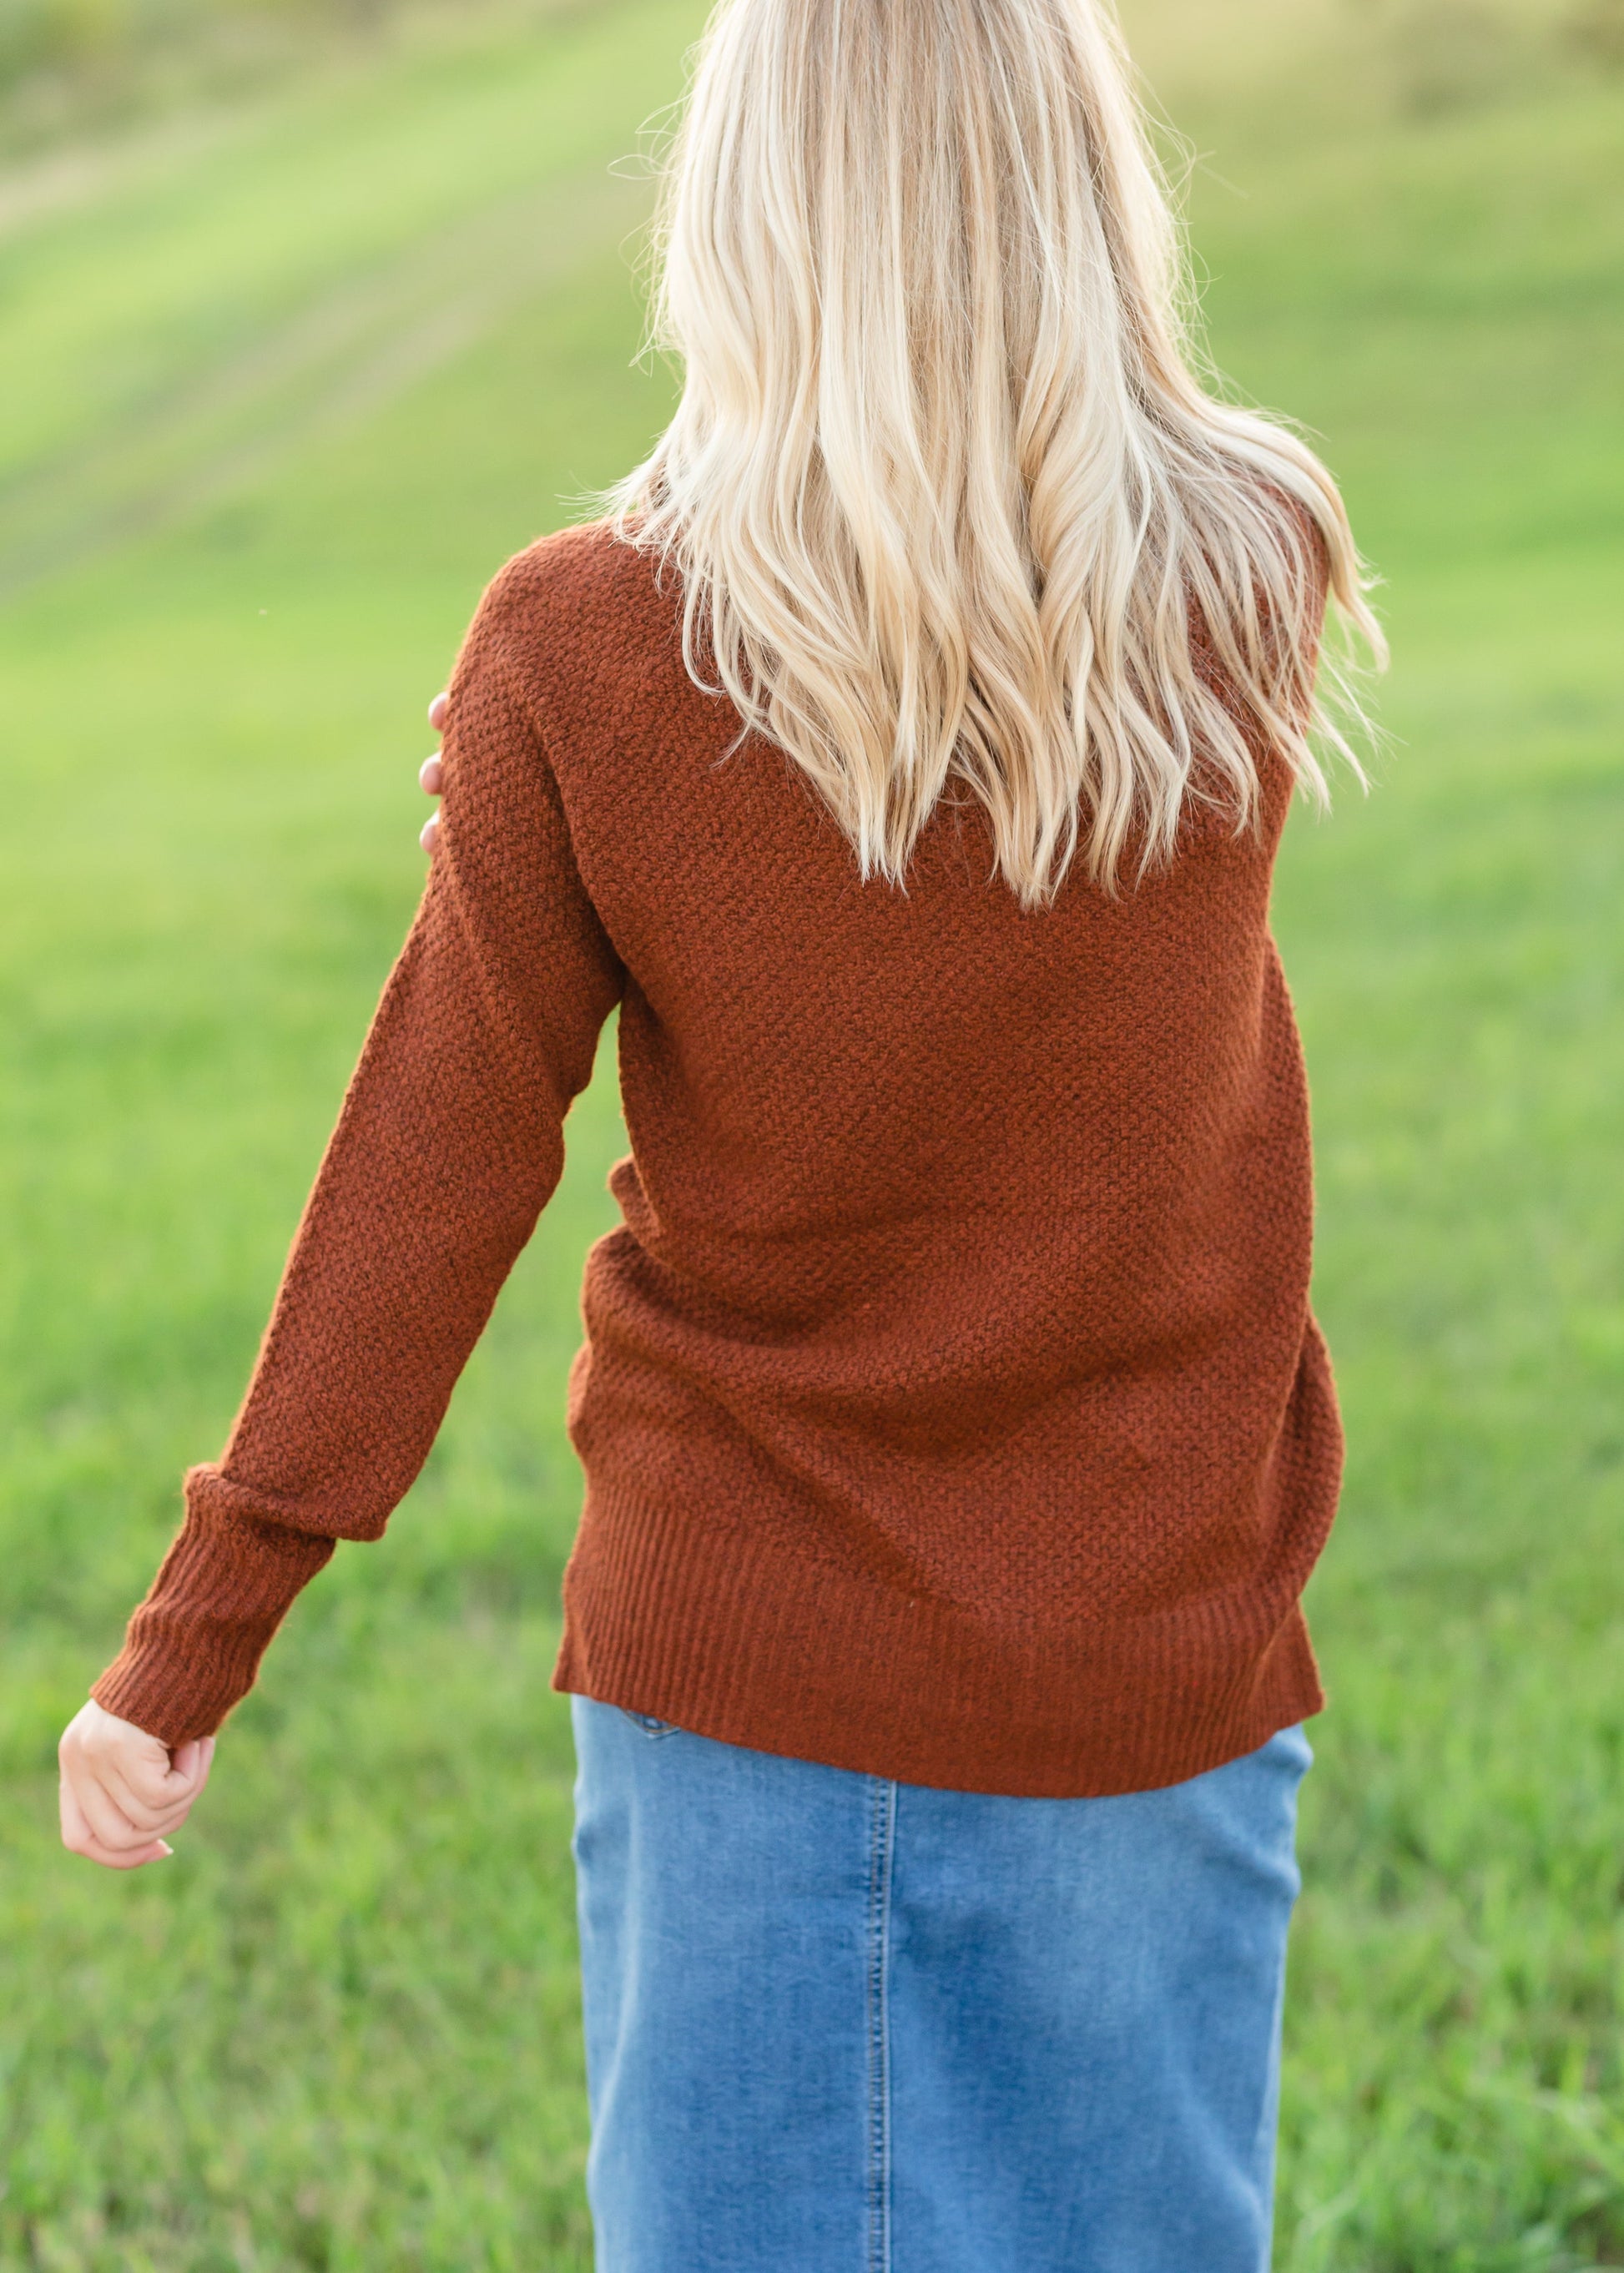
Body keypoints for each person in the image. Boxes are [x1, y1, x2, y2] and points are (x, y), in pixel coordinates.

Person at [58, 0, 1384, 2264]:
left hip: (751, 1688)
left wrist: (200, 1628)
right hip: (1158, 1675)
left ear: (741, 203)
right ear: (1078, 179)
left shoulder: (584, 650)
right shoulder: (1255, 560)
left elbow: (435, 1161)